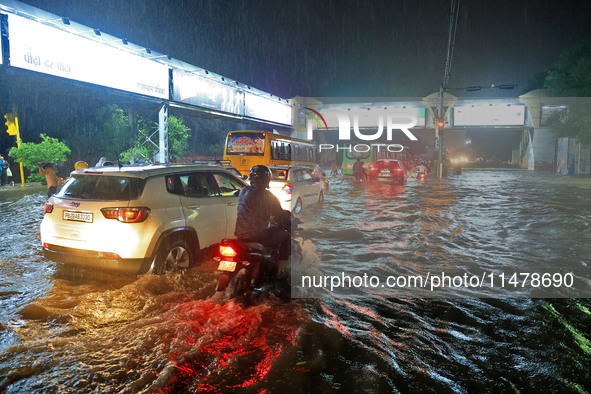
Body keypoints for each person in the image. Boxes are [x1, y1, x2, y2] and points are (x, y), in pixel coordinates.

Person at [234, 165, 291, 272]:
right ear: (266, 180)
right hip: (257, 236)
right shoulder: (268, 196)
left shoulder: (243, 191)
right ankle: (280, 273)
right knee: (286, 237)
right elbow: (280, 214)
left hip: (240, 235)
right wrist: (286, 219)